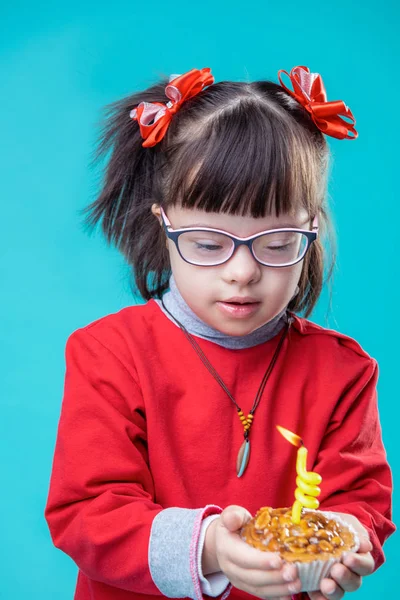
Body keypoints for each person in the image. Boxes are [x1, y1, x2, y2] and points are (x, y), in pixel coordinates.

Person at [45, 66, 395, 600]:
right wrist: (210, 546)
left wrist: (346, 539)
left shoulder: (343, 371)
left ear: (311, 230)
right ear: (164, 224)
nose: (242, 272)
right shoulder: (109, 354)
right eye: (209, 244)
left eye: (276, 243)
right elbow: (87, 513)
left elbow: (361, 501)